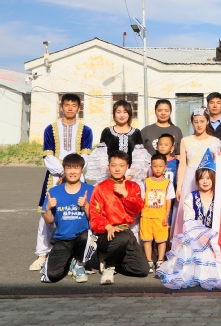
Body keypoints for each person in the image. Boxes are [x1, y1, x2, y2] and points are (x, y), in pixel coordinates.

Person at [31, 93, 93, 272]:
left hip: (77, 176)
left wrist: (71, 172)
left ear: (79, 108)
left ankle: (80, 254)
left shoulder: (86, 130)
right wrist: (63, 172)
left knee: (79, 212)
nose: (70, 108)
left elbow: (85, 156)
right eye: (67, 105)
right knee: (47, 211)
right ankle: (42, 254)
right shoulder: (50, 129)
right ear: (61, 107)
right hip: (55, 176)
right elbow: (48, 155)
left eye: (74, 105)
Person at [157, 150, 221, 290]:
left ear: (214, 179)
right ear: (197, 180)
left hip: (216, 237)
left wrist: (213, 238)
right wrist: (201, 236)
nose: (205, 181)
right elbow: (188, 221)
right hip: (195, 237)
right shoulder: (190, 197)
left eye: (208, 178)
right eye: (201, 178)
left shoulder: (219, 198)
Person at [89, 150, 149, 284]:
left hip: (125, 230)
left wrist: (125, 194)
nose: (117, 169)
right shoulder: (100, 188)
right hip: (106, 233)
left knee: (142, 269)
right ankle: (109, 266)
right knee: (122, 238)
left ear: (127, 166)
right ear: (108, 166)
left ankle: (114, 262)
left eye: (121, 165)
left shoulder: (133, 187)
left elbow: (137, 209)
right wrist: (107, 226)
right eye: (114, 165)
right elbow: (94, 214)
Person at [40, 153, 95, 284]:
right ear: (64, 170)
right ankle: (69, 260)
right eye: (69, 168)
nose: (72, 172)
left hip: (83, 238)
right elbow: (48, 221)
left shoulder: (91, 190)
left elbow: (95, 220)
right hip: (62, 239)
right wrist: (48, 208)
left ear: (81, 170)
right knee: (51, 276)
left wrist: (86, 206)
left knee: (88, 236)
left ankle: (79, 264)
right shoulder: (54, 191)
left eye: (76, 168)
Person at [173, 107, 221, 237]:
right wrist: (179, 187)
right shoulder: (185, 140)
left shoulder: (215, 141)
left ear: (207, 121)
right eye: (196, 122)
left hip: (207, 178)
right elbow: (182, 165)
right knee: (188, 209)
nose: (199, 125)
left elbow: (217, 165)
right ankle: (187, 242)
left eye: (202, 121)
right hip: (189, 179)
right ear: (192, 123)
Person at [140, 153, 174, 273]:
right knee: (147, 239)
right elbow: (142, 199)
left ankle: (160, 260)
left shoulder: (168, 183)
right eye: (155, 166)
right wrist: (141, 212)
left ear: (165, 167)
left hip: (161, 217)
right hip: (147, 216)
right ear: (151, 167)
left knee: (162, 239)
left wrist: (166, 215)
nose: (158, 169)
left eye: (160, 166)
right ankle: (149, 260)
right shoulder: (146, 182)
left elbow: (168, 200)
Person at [99, 100, 144, 164]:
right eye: (118, 112)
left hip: (131, 169)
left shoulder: (136, 132)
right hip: (112, 169)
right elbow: (102, 156)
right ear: (114, 114)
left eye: (125, 112)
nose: (122, 115)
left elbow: (139, 156)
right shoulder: (107, 132)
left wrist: (133, 170)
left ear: (129, 114)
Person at [156, 133, 179, 226]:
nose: (162, 147)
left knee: (169, 222)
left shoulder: (176, 163)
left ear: (172, 148)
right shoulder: (153, 162)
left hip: (171, 198)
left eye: (166, 145)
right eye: (160, 144)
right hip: (157, 197)